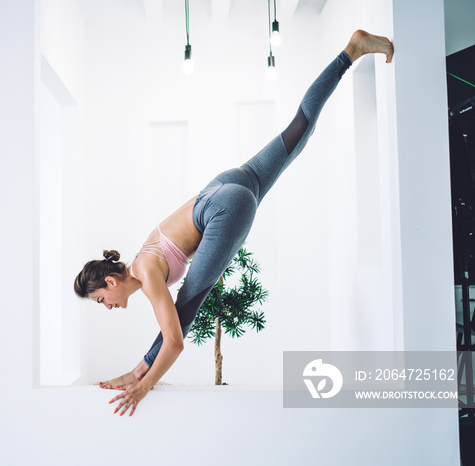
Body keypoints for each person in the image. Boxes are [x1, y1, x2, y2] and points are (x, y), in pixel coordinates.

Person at [73, 30, 394, 417]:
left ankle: (138, 370)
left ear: (110, 282)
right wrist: (137, 371)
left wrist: (141, 386)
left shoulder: (145, 270)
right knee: (298, 130)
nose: (106, 307)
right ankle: (351, 51)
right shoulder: (143, 260)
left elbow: (175, 340)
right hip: (225, 185)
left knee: (189, 303)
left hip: (224, 208)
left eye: (100, 300)